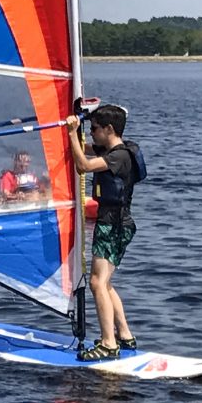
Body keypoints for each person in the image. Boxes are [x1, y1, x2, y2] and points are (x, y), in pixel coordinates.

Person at [65, 104, 138, 361]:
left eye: (95, 129)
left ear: (109, 129)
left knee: (96, 282)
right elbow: (83, 149)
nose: (92, 133)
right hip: (117, 223)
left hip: (113, 224)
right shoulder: (114, 149)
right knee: (105, 284)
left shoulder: (119, 156)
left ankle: (108, 343)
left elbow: (83, 165)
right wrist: (74, 127)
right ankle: (125, 335)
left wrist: (74, 133)